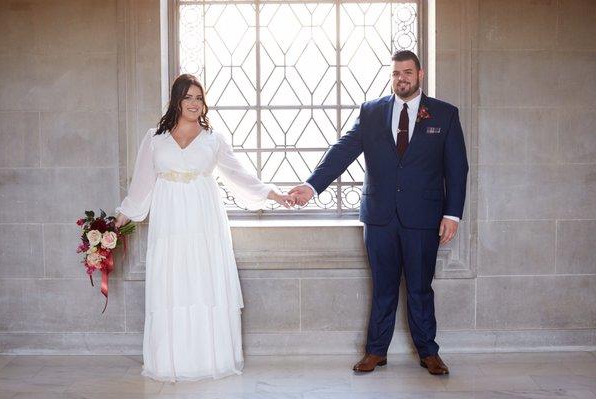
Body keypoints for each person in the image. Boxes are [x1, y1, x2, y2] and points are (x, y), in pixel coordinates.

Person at [289, 50, 468, 375]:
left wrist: (452, 214)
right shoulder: (371, 112)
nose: (402, 78)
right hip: (379, 217)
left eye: (408, 72)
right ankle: (375, 351)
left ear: (420, 74)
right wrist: (312, 186)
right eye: (396, 73)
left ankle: (429, 352)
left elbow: (457, 168)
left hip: (424, 218)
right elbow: (343, 150)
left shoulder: (444, 115)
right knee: (383, 286)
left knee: (419, 287)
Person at [115, 74, 293, 382]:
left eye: (199, 98)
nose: (195, 104)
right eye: (188, 98)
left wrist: (271, 193)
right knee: (173, 282)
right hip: (169, 222)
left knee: (203, 281)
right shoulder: (155, 138)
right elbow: (141, 185)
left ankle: (209, 359)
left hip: (204, 221)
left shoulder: (213, 139)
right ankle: (174, 361)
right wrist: (118, 220)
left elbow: (239, 175)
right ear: (176, 101)